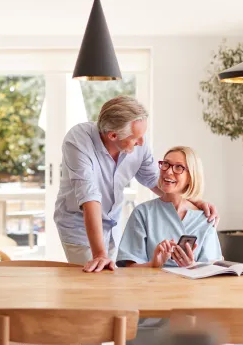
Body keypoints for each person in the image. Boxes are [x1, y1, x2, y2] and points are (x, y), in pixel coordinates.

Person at [54, 96, 219, 273]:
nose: (141, 142)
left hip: (112, 224)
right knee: (93, 280)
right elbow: (89, 197)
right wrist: (100, 254)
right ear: (113, 135)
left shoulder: (139, 142)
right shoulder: (79, 141)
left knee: (110, 283)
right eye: (135, 138)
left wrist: (193, 200)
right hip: (80, 227)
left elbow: (156, 180)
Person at [116, 145, 243, 345]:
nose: (168, 171)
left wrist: (192, 267)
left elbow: (215, 272)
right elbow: (126, 270)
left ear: (191, 176)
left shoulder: (204, 219)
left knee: (220, 331)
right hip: (156, 306)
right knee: (193, 325)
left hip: (199, 302)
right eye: (166, 164)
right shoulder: (143, 213)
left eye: (179, 168)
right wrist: (153, 264)